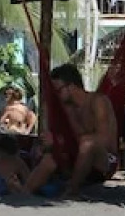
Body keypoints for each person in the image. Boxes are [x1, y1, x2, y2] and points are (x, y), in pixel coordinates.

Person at [23, 64, 118, 198]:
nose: (56, 95)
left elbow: (105, 140)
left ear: (71, 86)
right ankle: (25, 191)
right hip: (78, 157)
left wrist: (62, 142)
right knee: (50, 158)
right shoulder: (68, 109)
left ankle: (72, 190)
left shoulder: (97, 102)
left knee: (87, 143)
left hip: (104, 160)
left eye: (58, 90)